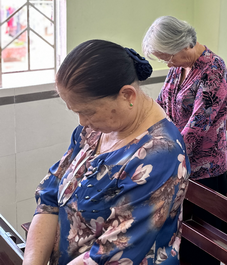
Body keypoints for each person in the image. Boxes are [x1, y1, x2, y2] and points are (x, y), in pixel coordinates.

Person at [23, 40, 190, 265]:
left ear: (127, 95)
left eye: (88, 112)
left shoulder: (159, 155)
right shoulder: (94, 131)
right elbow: (50, 196)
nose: (82, 122)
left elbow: (110, 254)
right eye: (76, 112)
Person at [142, 16, 227, 195]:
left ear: (183, 45)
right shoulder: (178, 67)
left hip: (204, 170)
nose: (168, 64)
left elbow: (197, 127)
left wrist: (161, 156)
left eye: (169, 57)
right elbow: (161, 105)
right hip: (176, 160)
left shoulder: (213, 69)